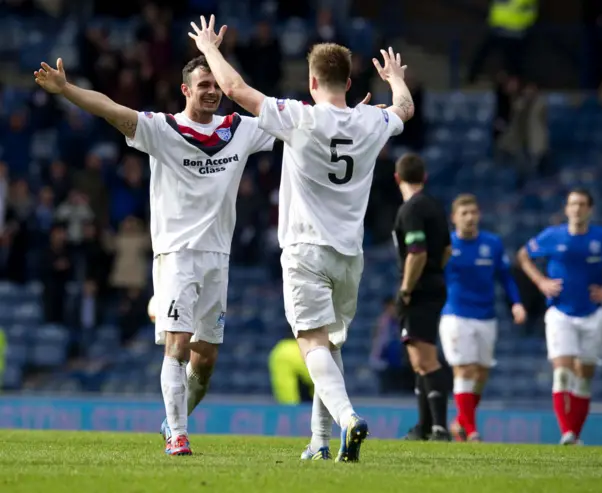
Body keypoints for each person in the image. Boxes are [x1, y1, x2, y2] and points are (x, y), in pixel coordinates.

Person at [34, 35, 279, 455]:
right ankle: (179, 436)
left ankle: (173, 418)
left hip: (218, 257)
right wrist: (67, 90)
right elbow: (111, 109)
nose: (212, 92)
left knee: (206, 361)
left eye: (216, 86)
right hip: (177, 253)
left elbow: (298, 124)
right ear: (185, 90)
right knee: (178, 345)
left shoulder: (241, 130)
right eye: (203, 86)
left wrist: (366, 118)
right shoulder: (162, 129)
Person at [187, 15, 413, 461]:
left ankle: (348, 419)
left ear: (311, 81)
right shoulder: (371, 120)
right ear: (348, 82)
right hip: (350, 254)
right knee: (329, 344)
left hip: (306, 248)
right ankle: (320, 442)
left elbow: (234, 91)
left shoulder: (299, 117)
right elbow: (403, 109)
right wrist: (396, 79)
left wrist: (210, 48)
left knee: (311, 342)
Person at [517, 189, 602, 445]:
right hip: (560, 312)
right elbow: (523, 255)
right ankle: (567, 432)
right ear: (566, 209)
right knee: (562, 373)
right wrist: (541, 282)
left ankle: (575, 433)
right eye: (573, 204)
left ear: (590, 209)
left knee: (583, 378)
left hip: (592, 314)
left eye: (582, 204)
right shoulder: (553, 235)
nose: (577, 209)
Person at [441, 194, 527, 442]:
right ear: (454, 218)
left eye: (473, 212)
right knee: (464, 369)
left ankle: (460, 421)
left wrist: (516, 303)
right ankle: (471, 430)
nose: (470, 217)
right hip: (456, 315)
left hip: (486, 316)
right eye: (464, 213)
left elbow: (505, 276)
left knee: (481, 374)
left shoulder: (493, 243)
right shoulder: (447, 246)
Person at [391, 153, 452, 441]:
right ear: (424, 178)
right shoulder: (435, 206)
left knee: (426, 358)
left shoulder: (411, 210)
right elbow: (447, 250)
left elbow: (417, 253)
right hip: (435, 284)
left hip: (419, 289)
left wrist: (406, 289)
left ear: (397, 178)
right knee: (419, 359)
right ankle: (425, 426)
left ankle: (439, 427)